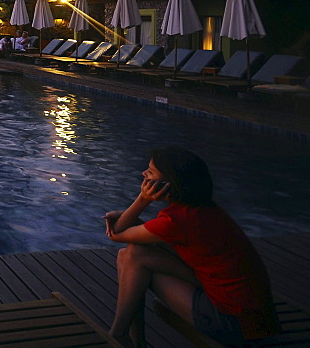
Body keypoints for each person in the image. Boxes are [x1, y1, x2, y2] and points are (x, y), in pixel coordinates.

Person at [105, 147, 279, 348]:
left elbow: (117, 233)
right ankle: (131, 339)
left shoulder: (177, 221)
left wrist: (142, 200)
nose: (144, 174)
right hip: (255, 316)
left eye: (151, 172)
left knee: (132, 259)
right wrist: (130, 216)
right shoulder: (201, 208)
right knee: (130, 254)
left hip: (233, 322)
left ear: (168, 184)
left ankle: (122, 335)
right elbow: (137, 234)